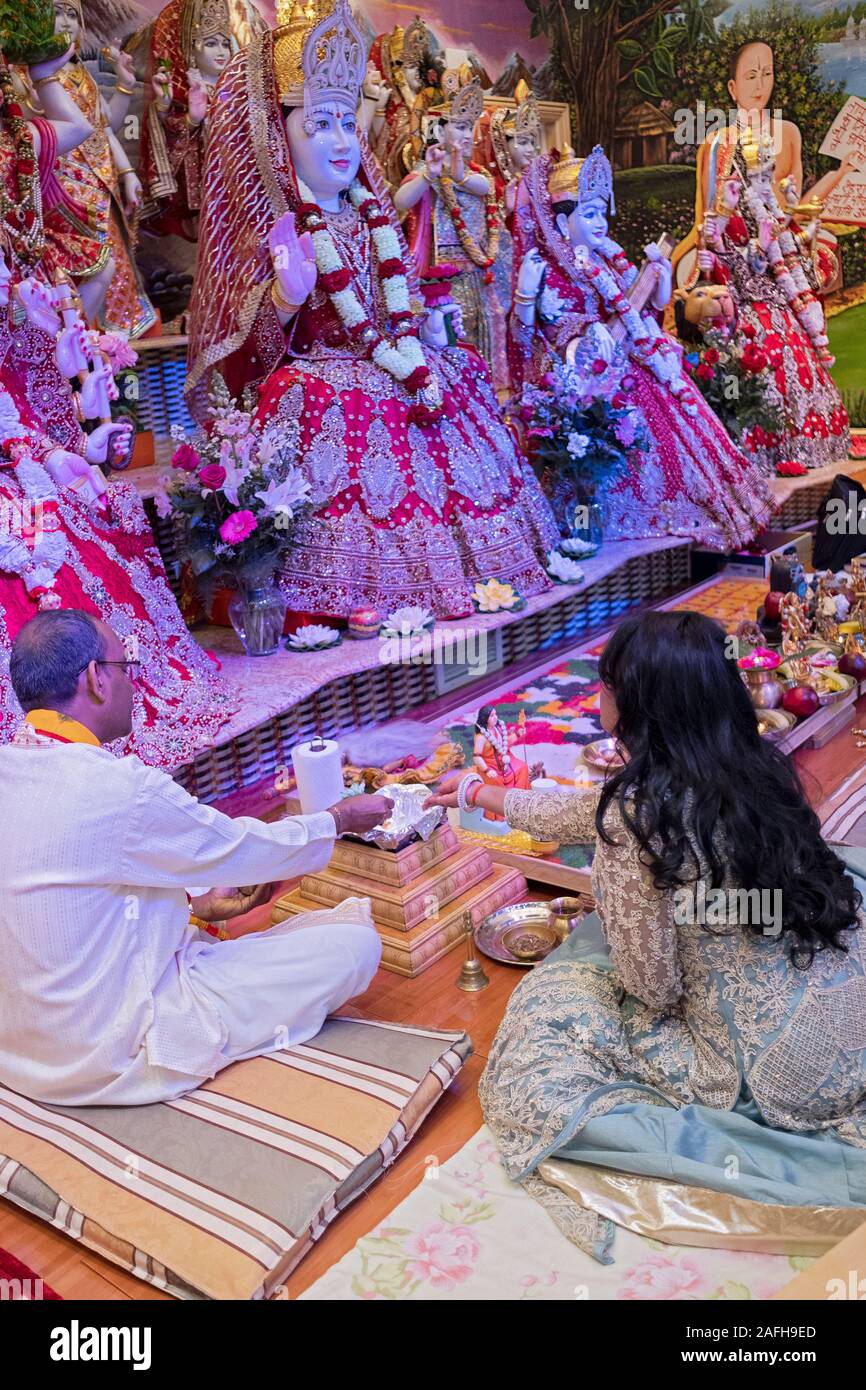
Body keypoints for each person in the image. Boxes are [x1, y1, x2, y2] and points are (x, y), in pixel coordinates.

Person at [426, 610, 866, 1259]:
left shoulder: (636, 824)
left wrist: (612, 921)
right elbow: (604, 809)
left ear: (635, 706)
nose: (595, 698)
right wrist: (478, 793)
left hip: (776, 1079)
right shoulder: (754, 767)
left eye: (605, 687)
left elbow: (651, 986)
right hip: (847, 1027)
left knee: (549, 1011)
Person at [185, 0, 558, 621]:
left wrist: (425, 328)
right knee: (335, 397)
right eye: (318, 125)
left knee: (459, 370)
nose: (340, 143)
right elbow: (242, 362)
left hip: (391, 359)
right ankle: (358, 586)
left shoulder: (371, 212)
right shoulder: (273, 225)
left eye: (345, 123)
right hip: (321, 372)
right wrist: (285, 297)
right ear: (279, 139)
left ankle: (477, 563)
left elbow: (398, 297)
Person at [0, 609, 386, 1106]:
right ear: (96, 679)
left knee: (215, 936)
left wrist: (191, 908)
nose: (132, 684)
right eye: (125, 667)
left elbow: (63, 904)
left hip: (20, 1053)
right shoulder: (118, 788)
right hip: (110, 1056)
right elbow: (240, 848)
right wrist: (338, 820)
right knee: (354, 946)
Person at [510, 147, 774, 550]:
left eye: (603, 213)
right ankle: (605, 518)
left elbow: (649, 306)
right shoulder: (545, 266)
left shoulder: (609, 259)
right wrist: (527, 297)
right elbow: (527, 339)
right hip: (583, 373)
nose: (600, 224)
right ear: (562, 220)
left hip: (631, 358)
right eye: (590, 214)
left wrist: (663, 277)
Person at [21, 1, 156, 336]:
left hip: (100, 180)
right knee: (79, 262)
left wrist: (126, 173)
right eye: (57, 13)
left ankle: (116, 331)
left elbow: (103, 124)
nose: (66, 22)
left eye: (72, 15)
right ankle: (72, 337)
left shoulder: (80, 73)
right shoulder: (26, 77)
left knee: (113, 255)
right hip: (59, 185)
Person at [140, 0, 266, 239]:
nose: (220, 52)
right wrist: (192, 118)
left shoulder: (241, 89)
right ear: (192, 50)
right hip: (204, 192)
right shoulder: (184, 90)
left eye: (225, 44)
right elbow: (169, 140)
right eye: (210, 43)